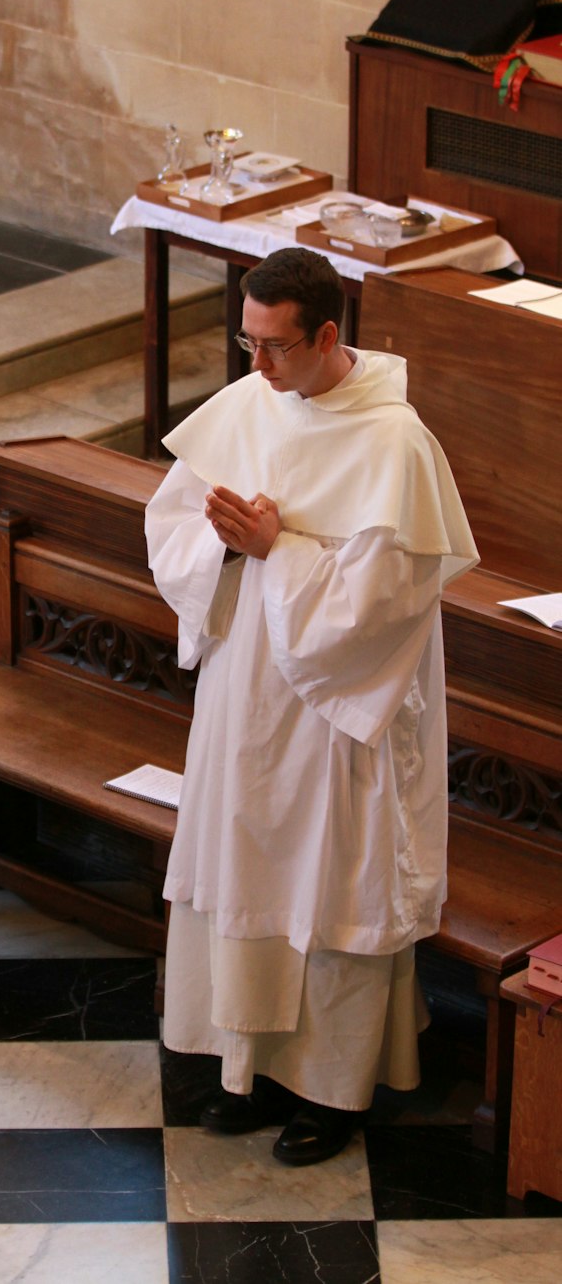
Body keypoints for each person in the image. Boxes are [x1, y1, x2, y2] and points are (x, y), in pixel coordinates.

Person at [145, 246, 478, 1165]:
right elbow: (170, 520)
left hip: (340, 713)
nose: (256, 368)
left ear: (329, 335)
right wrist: (221, 547)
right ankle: (246, 1067)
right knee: (246, 862)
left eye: (275, 348)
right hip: (243, 689)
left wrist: (275, 550)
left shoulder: (395, 442)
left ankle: (333, 1092)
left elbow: (387, 599)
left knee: (331, 881)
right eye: (244, 343)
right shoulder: (251, 401)